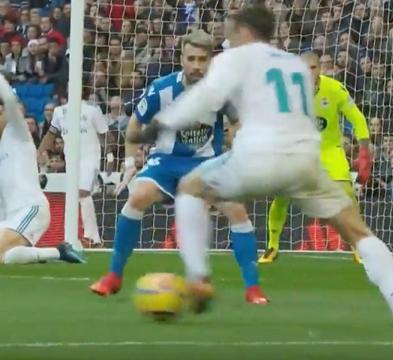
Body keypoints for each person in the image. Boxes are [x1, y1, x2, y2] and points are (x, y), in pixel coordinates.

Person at [134, 5, 393, 328]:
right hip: (304, 162)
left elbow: (205, 97)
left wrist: (160, 124)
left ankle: (199, 278)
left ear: (245, 31)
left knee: (189, 188)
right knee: (357, 229)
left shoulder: (235, 58)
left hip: (255, 157)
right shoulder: (295, 66)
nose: (225, 35)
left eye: (230, 29)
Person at [89, 30, 267, 304]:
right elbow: (136, 123)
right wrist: (128, 163)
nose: (197, 65)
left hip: (205, 164)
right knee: (138, 196)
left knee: (237, 209)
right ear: (181, 58)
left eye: (202, 59)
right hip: (166, 162)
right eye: (191, 58)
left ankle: (252, 288)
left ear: (211, 60)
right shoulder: (162, 89)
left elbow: (236, 124)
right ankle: (114, 276)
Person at [0, 47, 84, 265]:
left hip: (31, 209)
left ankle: (58, 252)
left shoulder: (18, 133)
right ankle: (31, 252)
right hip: (9, 217)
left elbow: (8, 97)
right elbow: (0, 197)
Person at [259, 52, 371, 264]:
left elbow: (357, 118)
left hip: (329, 150)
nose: (308, 73)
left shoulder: (335, 89)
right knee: (281, 196)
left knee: (347, 193)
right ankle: (272, 246)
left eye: (313, 68)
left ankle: (358, 246)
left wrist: (364, 151)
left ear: (320, 69)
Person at [38, 86, 113, 248]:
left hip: (91, 158)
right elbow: (50, 134)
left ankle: (91, 237)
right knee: (74, 197)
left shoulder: (93, 111)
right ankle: (74, 236)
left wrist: (110, 157)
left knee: (83, 193)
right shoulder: (59, 112)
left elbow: (106, 136)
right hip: (72, 160)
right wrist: (39, 152)